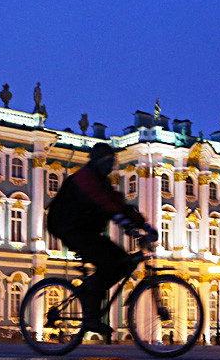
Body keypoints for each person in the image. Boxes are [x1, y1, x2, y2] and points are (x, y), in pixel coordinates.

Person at [46, 142, 152, 336]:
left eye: (113, 161)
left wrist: (143, 225)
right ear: (100, 161)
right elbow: (103, 203)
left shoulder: (102, 181)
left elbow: (118, 204)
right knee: (110, 262)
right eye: (109, 161)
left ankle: (92, 290)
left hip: (86, 229)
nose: (112, 165)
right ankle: (91, 316)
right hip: (69, 227)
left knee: (123, 261)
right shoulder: (85, 177)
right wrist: (129, 226)